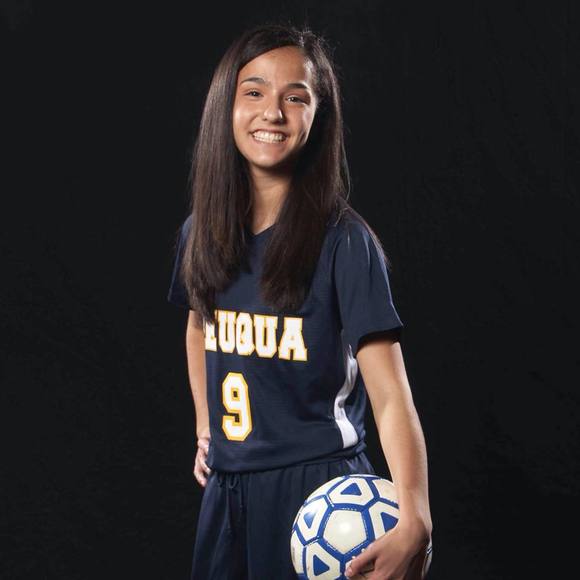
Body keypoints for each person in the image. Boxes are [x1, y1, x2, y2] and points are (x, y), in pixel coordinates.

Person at [167, 22, 432, 580]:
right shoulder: (200, 233)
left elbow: (389, 394)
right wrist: (206, 427)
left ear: (318, 116)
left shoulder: (344, 242)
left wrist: (416, 515)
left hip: (318, 493)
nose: (273, 112)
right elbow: (198, 327)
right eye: (254, 91)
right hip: (228, 489)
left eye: (296, 97)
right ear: (226, 105)